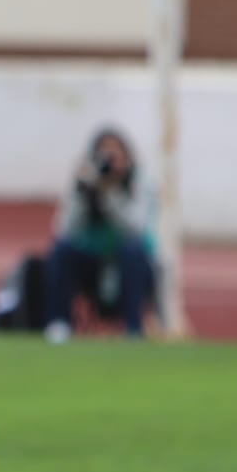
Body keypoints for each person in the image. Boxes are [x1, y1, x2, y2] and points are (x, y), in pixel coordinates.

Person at [42, 126, 158, 343]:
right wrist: (82, 192)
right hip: (91, 262)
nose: (109, 162)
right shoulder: (85, 182)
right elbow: (63, 228)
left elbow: (138, 227)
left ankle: (134, 329)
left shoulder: (139, 181)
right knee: (62, 249)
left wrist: (109, 194)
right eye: (103, 154)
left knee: (133, 250)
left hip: (130, 264)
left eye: (115, 155)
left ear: (127, 157)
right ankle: (59, 324)